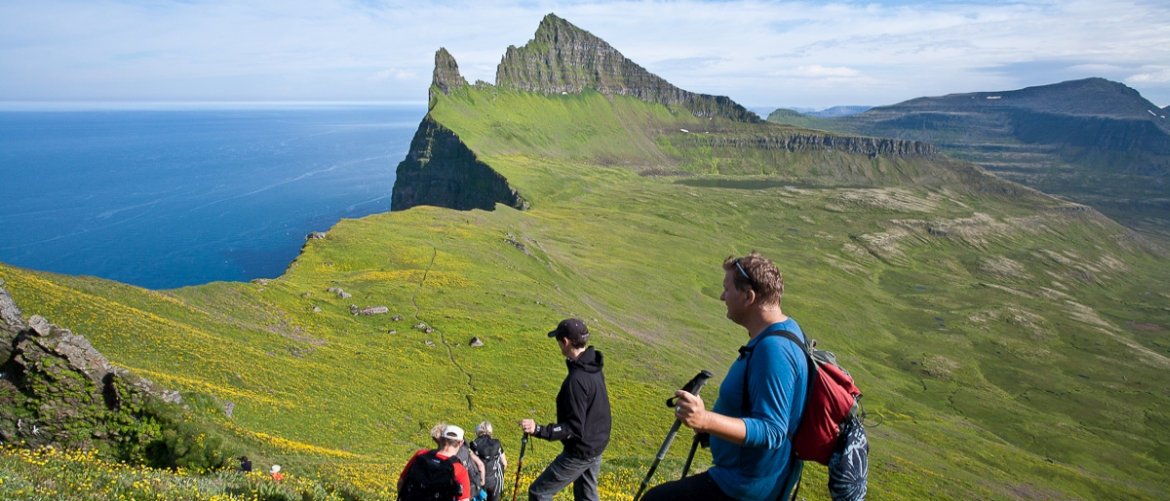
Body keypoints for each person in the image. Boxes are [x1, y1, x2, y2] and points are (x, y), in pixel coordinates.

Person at [643, 251, 809, 501]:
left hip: (744, 488)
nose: (722, 297)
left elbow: (772, 430)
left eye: (727, 289)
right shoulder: (786, 331)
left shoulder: (773, 350)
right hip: (748, 479)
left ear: (748, 297)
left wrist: (705, 420)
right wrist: (714, 430)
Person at [519, 318, 612, 501]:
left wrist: (538, 430)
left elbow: (573, 427)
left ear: (566, 342)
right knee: (586, 495)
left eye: (558, 340)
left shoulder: (576, 380)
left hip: (581, 450)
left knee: (539, 493)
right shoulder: (592, 366)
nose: (558, 345)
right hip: (596, 443)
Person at [399, 424, 472, 501]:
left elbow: (401, 481)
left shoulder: (421, 454)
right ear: (461, 443)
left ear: (440, 439)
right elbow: (464, 500)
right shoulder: (460, 469)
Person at [430, 422, 486, 499]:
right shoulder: (465, 448)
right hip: (474, 484)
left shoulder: (423, 456)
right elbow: (480, 464)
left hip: (465, 489)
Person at [470, 421, 508, 501]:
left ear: (478, 431)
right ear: (491, 431)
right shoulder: (497, 444)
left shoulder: (474, 444)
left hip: (479, 480)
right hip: (494, 480)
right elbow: (504, 463)